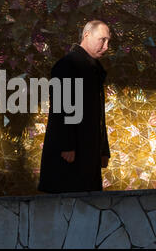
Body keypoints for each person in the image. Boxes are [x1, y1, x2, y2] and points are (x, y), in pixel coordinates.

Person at [37, 20, 112, 193]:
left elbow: (98, 114)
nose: (106, 46)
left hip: (87, 150)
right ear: (87, 35)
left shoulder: (93, 68)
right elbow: (61, 106)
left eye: (108, 41)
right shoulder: (68, 64)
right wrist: (66, 144)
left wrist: (103, 149)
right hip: (71, 152)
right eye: (102, 40)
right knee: (68, 203)